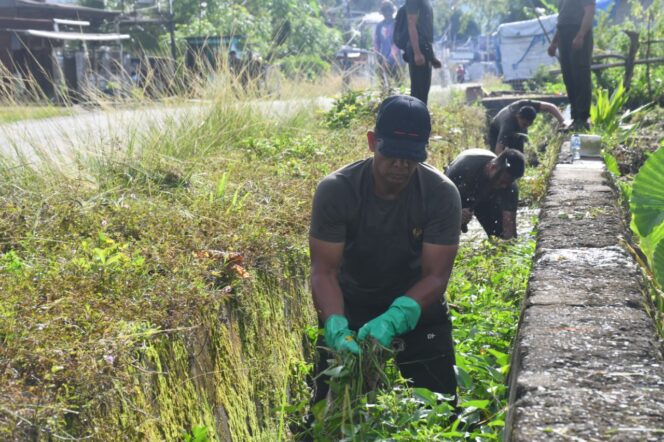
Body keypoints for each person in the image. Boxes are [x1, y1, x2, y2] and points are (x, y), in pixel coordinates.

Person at [309, 95, 462, 404]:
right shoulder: (337, 191)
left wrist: (395, 318)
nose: (401, 165)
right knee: (330, 417)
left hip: (418, 310)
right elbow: (324, 271)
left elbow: (435, 276)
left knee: (440, 412)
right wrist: (336, 326)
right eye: (392, 153)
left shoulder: (441, 194)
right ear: (371, 142)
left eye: (411, 156)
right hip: (351, 309)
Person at [445, 148, 525, 240]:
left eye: (508, 183)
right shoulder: (461, 169)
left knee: (499, 236)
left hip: (486, 199)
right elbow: (440, 206)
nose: (504, 186)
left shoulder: (509, 186)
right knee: (448, 228)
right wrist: (456, 215)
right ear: (492, 167)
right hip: (459, 193)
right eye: (502, 182)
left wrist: (510, 246)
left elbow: (509, 223)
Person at [547, 0, 596, 131]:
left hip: (578, 32)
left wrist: (580, 35)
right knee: (569, 76)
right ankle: (575, 117)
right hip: (564, 34)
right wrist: (554, 43)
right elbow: (562, 21)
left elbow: (590, 11)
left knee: (580, 75)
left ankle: (583, 117)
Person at [488, 99, 565, 154]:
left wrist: (562, 122)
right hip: (496, 129)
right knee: (495, 157)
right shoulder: (508, 125)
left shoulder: (528, 105)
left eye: (529, 125)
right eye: (524, 124)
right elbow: (498, 149)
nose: (526, 127)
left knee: (519, 154)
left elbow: (550, 107)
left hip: (516, 126)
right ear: (518, 116)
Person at [405, 0, 441, 104]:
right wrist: (417, 52)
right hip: (418, 48)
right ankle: (416, 119)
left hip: (425, 49)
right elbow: (411, 23)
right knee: (418, 93)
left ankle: (421, 117)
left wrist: (432, 57)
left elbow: (425, 32)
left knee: (424, 91)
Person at [374, 1, 402, 81]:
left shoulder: (396, 24)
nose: (387, 12)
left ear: (392, 11)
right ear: (382, 12)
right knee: (383, 87)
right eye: (385, 10)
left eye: (388, 10)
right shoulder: (379, 26)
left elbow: (397, 43)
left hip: (396, 62)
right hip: (382, 61)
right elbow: (376, 42)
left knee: (398, 86)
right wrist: (379, 56)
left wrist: (389, 60)